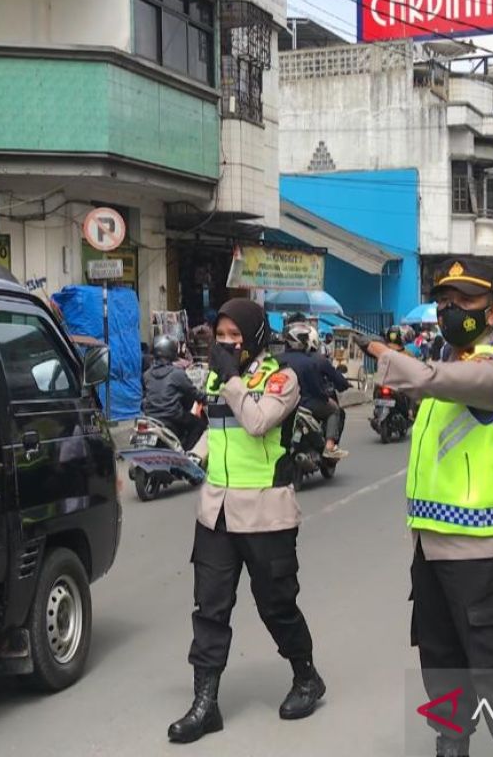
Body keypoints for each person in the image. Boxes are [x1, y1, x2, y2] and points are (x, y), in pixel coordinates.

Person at [356, 258, 493, 757]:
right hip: (431, 546)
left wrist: (383, 352)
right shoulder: (454, 367)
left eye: (466, 301)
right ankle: (451, 741)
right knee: (440, 660)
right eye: (445, 301)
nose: (452, 310)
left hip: (481, 554)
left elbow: (428, 380)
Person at [168, 298, 324, 744]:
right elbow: (217, 434)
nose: (225, 344)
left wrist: (233, 379)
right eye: (220, 337)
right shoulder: (219, 380)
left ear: (255, 337)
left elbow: (256, 423)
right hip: (215, 512)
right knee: (210, 609)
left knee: (276, 605)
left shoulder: (282, 379)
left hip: (265, 514)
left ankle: (306, 676)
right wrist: (183, 458)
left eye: (234, 337)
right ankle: (205, 704)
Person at [280, 322, 350, 459]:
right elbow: (316, 388)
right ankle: (329, 446)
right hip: (307, 403)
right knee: (334, 409)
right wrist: (325, 397)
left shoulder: (275, 360)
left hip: (283, 404)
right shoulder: (311, 362)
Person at [142, 335, 206, 451]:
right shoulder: (177, 374)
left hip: (150, 419)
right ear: (172, 352)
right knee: (199, 424)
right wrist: (206, 397)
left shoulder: (147, 374)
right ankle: (187, 454)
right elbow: (194, 394)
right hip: (172, 418)